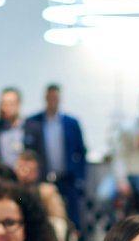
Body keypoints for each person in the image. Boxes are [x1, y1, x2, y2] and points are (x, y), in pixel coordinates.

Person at [22, 83, 89, 232]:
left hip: (68, 180)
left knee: (74, 224)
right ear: (45, 98)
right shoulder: (33, 122)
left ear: (60, 99)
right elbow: (28, 153)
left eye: (55, 97)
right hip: (42, 181)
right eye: (49, 97)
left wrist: (80, 178)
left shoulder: (72, 123)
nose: (52, 100)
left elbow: (81, 152)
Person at [0, 87, 25, 167]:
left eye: (11, 103)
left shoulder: (31, 128)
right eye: (4, 104)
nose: (7, 107)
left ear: (19, 104)